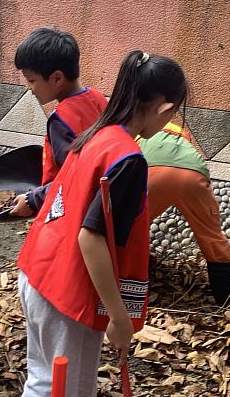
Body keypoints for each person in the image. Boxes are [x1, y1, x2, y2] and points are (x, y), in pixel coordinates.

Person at [17, 50, 187, 397]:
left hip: (37, 273)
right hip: (67, 295)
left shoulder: (98, 132)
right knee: (67, 391)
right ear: (166, 110)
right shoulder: (128, 159)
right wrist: (119, 316)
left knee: (43, 382)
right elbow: (90, 238)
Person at [9, 27, 107, 218]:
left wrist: (32, 199)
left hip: (69, 209)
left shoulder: (61, 120)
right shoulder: (98, 98)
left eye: (31, 80)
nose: (29, 88)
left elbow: (73, 177)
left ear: (57, 78)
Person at [139, 123, 230, 305]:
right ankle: (226, 299)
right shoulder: (181, 132)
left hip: (151, 172)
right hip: (193, 174)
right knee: (212, 237)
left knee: (132, 227)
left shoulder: (142, 127)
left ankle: (131, 283)